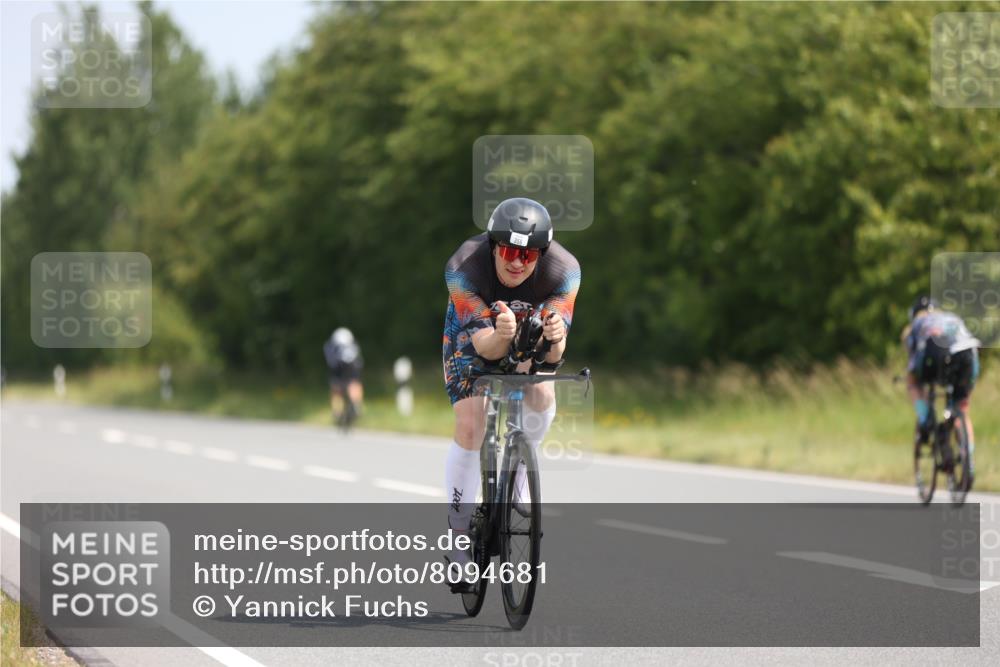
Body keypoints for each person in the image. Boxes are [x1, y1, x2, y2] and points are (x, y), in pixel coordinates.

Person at [441, 198, 581, 585]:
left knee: (541, 393)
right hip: (476, 334)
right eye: (509, 251)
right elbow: (483, 348)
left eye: (529, 255)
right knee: (472, 423)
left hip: (527, 331)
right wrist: (502, 334)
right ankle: (456, 537)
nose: (518, 262)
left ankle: (519, 469)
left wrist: (554, 338)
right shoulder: (463, 267)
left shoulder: (564, 270)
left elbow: (554, 356)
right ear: (493, 246)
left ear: (543, 254)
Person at [902, 296, 981, 466]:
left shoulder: (917, 323)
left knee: (913, 381)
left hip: (936, 351)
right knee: (961, 407)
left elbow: (913, 360)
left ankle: (925, 419)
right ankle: (968, 459)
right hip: (969, 352)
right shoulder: (952, 317)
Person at [323, 327, 364, 425]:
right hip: (353, 367)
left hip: (338, 368)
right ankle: (356, 404)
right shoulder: (353, 344)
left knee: (336, 390)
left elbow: (330, 361)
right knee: (355, 384)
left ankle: (337, 411)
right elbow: (359, 360)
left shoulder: (330, 345)